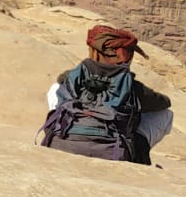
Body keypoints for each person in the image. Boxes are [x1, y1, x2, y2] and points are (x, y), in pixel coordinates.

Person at [40, 25, 174, 163]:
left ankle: (59, 132)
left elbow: (61, 79)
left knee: (56, 88)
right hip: (111, 152)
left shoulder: (75, 75)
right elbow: (164, 103)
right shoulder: (131, 86)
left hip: (62, 145)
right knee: (166, 114)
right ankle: (138, 154)